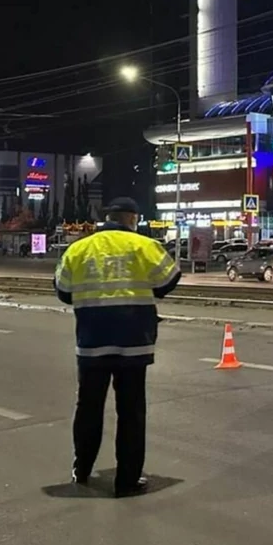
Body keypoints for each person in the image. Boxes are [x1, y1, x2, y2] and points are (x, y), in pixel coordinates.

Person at [54, 197, 181, 497]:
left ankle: (81, 470)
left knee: (88, 408)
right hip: (133, 343)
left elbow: (63, 292)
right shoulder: (143, 246)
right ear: (132, 219)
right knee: (131, 412)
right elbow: (169, 281)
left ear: (107, 217)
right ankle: (126, 481)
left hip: (92, 342)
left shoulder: (79, 248)